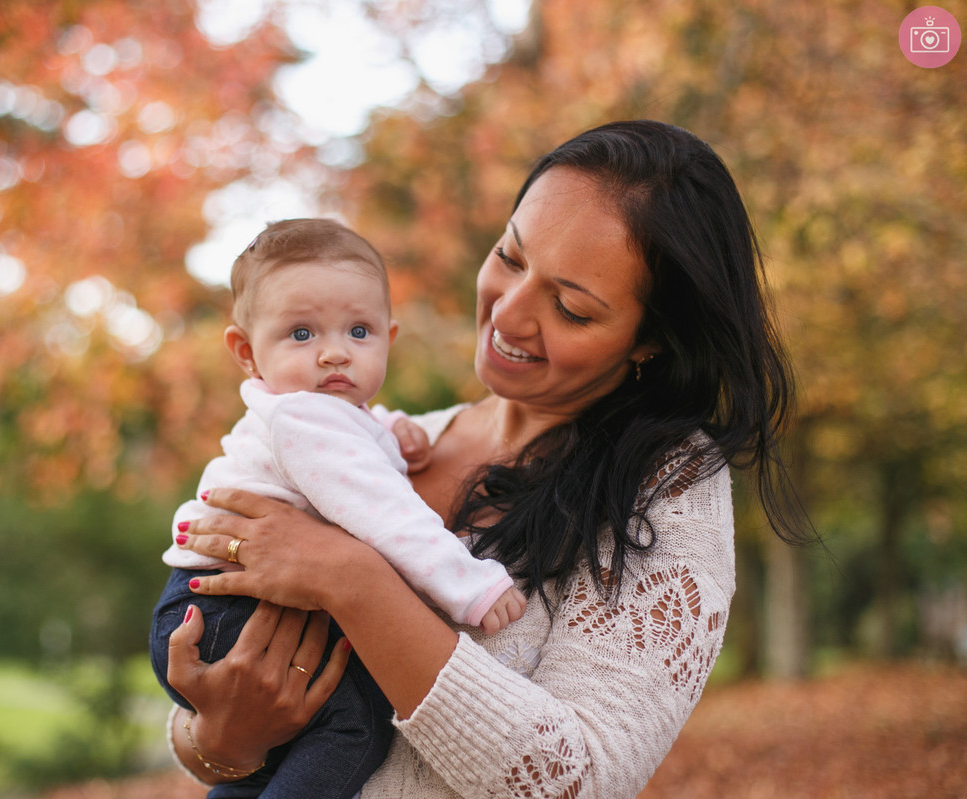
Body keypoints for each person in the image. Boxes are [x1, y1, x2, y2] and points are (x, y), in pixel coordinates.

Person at [163, 120, 809, 798]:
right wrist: (220, 742)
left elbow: (581, 781)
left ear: (652, 340)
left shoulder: (667, 491)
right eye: (510, 256)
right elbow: (214, 712)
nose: (509, 313)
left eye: (571, 308)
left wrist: (352, 581)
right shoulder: (384, 438)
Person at [150, 218, 527, 798]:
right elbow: (384, 513)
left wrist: (393, 429)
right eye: (301, 334)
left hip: (207, 607)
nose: (334, 354)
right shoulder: (305, 419)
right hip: (226, 611)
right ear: (247, 353)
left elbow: (353, 439)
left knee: (277, 759)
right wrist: (470, 585)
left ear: (388, 338)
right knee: (352, 726)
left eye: (359, 331)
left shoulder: (317, 416)